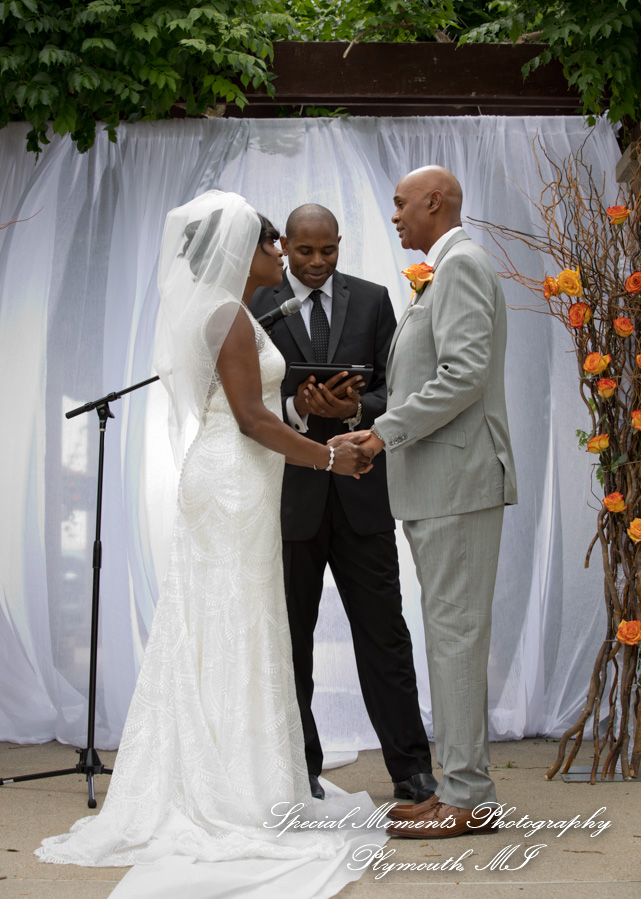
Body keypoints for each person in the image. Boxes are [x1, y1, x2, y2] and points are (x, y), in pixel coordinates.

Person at [36, 191, 374, 867]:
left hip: (237, 475)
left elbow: (253, 408)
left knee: (234, 621)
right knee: (231, 622)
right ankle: (231, 787)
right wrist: (329, 457)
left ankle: (241, 771)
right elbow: (249, 418)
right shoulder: (226, 314)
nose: (279, 253)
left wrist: (307, 419)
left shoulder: (229, 311)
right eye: (270, 242)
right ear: (239, 250)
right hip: (232, 481)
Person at [338, 166, 517, 838]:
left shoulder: (461, 266)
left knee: (456, 638)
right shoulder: (441, 271)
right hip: (439, 484)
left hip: (457, 481)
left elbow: (463, 375)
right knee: (449, 636)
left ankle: (468, 797)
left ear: (434, 202)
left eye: (400, 204)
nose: (394, 216)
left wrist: (383, 431)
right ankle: (459, 787)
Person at [249, 204, 436, 805]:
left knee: (385, 636)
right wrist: (300, 408)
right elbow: (248, 399)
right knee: (291, 641)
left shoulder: (374, 299)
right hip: (289, 502)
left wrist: (354, 409)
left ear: (339, 244)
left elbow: (396, 388)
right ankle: (298, 768)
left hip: (362, 493)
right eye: (305, 251)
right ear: (286, 245)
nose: (317, 262)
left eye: (328, 250)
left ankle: (412, 769)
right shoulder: (257, 302)